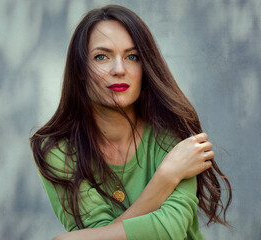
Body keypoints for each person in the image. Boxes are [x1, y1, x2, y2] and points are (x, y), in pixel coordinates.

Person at [30, 5, 232, 240]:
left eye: (132, 56)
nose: (119, 69)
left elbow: (171, 230)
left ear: (145, 67)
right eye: (101, 57)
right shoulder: (58, 151)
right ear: (80, 70)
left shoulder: (173, 135)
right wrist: (165, 178)